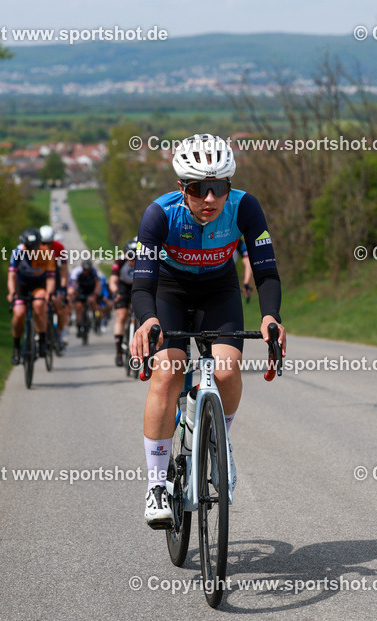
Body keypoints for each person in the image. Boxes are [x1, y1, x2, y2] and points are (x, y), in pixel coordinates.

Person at [129, 133, 286, 528]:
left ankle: (219, 441)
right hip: (170, 291)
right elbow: (143, 285)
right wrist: (148, 320)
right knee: (168, 372)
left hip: (219, 289)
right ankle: (156, 484)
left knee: (227, 369)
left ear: (228, 186)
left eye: (218, 188)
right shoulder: (159, 214)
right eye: (199, 189)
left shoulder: (246, 207)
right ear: (182, 188)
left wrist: (270, 317)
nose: (210, 199)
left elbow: (266, 271)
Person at [7, 228, 56, 365]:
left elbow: (51, 278)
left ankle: (42, 340)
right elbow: (11, 276)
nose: (31, 251)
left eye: (34, 248)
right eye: (28, 248)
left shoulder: (46, 253)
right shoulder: (17, 253)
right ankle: (16, 346)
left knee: (39, 305)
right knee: (19, 312)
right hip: (21, 284)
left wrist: (49, 293)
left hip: (38, 284)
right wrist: (12, 292)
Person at [39, 224, 69, 350]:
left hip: (55, 276)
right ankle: (40, 332)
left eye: (49, 243)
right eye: (43, 243)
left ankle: (60, 337)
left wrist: (62, 287)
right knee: (40, 304)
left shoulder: (59, 247)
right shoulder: (35, 247)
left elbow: (64, 269)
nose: (46, 246)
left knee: (58, 305)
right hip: (40, 276)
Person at [110, 239, 138, 366]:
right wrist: (116, 292)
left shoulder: (144, 260)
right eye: (130, 256)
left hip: (138, 285)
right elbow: (113, 281)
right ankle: (119, 352)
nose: (132, 260)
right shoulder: (120, 261)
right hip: (123, 286)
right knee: (121, 316)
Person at [67, 259, 101, 337]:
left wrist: (95, 294)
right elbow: (73, 285)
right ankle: (79, 328)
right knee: (78, 308)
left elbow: (97, 284)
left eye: (88, 270)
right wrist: (73, 293)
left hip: (91, 291)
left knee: (92, 301)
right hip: (81, 292)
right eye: (85, 269)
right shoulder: (77, 272)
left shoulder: (93, 272)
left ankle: (95, 318)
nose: (86, 271)